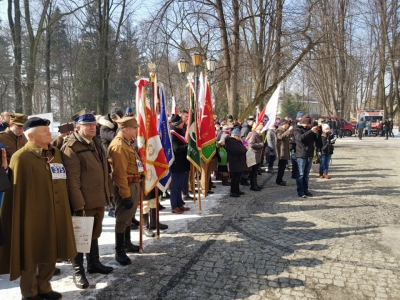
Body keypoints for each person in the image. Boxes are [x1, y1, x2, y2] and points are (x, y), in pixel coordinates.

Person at [0, 117, 77, 300]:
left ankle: (44, 286)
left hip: (56, 211)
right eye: (44, 132)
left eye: (49, 131)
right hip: (31, 216)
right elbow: (16, 195)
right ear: (31, 137)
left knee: (52, 250)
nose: (49, 134)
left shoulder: (55, 153)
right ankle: (30, 291)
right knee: (30, 253)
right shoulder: (21, 158)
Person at [61, 110, 113, 289]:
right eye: (88, 125)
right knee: (80, 237)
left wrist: (109, 193)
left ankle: (94, 263)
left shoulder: (96, 142)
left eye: (94, 125)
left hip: (98, 198)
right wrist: (78, 205)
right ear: (78, 127)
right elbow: (72, 181)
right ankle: (78, 272)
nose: (92, 128)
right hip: (84, 201)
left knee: (94, 233)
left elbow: (105, 170)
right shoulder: (71, 147)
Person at [108, 116, 143, 266]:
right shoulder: (119, 146)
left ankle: (127, 243)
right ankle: (119, 251)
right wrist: (126, 195)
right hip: (125, 185)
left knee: (128, 217)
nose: (137, 130)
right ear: (126, 129)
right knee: (122, 219)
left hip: (133, 183)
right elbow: (119, 173)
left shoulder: (127, 143)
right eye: (135, 128)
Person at [98, 107, 123, 218]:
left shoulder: (115, 126)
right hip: (110, 160)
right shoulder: (104, 128)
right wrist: (120, 125)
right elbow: (116, 138)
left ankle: (126, 215)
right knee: (114, 185)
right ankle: (114, 209)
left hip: (119, 159)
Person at [0, 113, 28, 208]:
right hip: (6, 177)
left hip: (21, 175)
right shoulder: (2, 137)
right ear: (11, 125)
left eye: (22, 128)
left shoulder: (23, 137)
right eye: (18, 128)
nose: (21, 130)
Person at [169, 114, 191, 213]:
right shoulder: (173, 135)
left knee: (180, 185)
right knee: (175, 186)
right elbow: (176, 149)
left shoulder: (180, 132)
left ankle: (179, 203)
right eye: (182, 122)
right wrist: (188, 146)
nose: (183, 123)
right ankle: (174, 206)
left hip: (182, 164)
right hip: (177, 164)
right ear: (177, 124)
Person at [293, 114, 318, 198]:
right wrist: (311, 131)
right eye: (307, 123)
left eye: (309, 124)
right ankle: (300, 191)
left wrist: (318, 132)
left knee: (306, 174)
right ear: (303, 122)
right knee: (301, 174)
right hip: (301, 154)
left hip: (309, 154)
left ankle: (306, 190)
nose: (308, 125)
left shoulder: (309, 129)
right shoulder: (297, 129)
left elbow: (315, 140)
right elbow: (300, 138)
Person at [225, 128, 247, 197]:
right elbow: (238, 150)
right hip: (234, 162)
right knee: (235, 178)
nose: (240, 137)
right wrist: (245, 148)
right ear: (235, 136)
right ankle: (233, 191)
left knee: (238, 177)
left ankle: (237, 190)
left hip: (238, 161)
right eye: (238, 136)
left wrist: (243, 148)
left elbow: (241, 148)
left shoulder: (236, 141)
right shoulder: (231, 142)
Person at [275, 119, 293, 186]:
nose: (288, 126)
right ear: (284, 124)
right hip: (281, 151)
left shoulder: (284, 130)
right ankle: (279, 180)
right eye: (287, 124)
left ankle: (280, 179)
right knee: (281, 167)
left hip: (284, 150)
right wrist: (288, 131)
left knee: (283, 167)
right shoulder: (279, 130)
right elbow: (280, 137)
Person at [248, 123, 264, 191]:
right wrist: (260, 144)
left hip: (256, 155)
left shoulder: (258, 135)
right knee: (253, 171)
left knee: (255, 171)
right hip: (252, 155)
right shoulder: (254, 135)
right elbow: (251, 144)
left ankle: (255, 184)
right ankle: (253, 186)